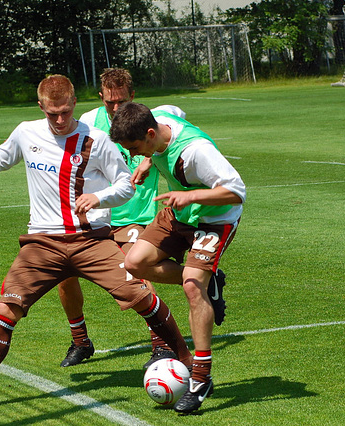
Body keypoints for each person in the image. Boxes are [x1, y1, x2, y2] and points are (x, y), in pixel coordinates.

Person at [0, 75, 192, 416]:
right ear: (41, 107)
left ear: (74, 104)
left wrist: (99, 197)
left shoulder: (96, 139)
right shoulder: (26, 131)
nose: (61, 120)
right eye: (53, 114)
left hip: (91, 241)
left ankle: (190, 366)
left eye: (66, 112)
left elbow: (125, 185)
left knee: (143, 297)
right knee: (6, 310)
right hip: (42, 243)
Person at [110, 102, 246, 413]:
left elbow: (237, 190)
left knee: (191, 286)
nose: (133, 156)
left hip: (215, 219)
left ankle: (200, 379)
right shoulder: (162, 117)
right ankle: (211, 279)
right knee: (134, 263)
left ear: (149, 133)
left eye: (134, 148)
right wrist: (147, 162)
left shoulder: (196, 152)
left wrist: (191, 194)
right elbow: (176, 112)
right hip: (178, 212)